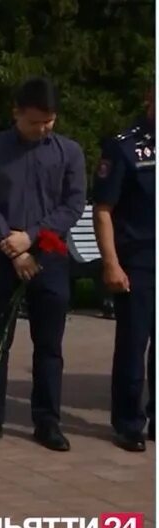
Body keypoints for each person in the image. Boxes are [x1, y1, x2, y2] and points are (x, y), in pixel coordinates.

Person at [0, 77, 85, 451]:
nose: (43, 128)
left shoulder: (69, 152)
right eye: (35, 121)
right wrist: (14, 248)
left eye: (49, 120)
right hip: (4, 258)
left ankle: (47, 420)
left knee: (49, 345)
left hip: (49, 257)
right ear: (17, 113)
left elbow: (72, 205)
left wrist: (32, 238)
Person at [92, 89, 155, 452]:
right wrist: (111, 263)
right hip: (138, 261)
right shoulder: (124, 148)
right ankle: (129, 423)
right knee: (133, 344)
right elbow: (103, 210)